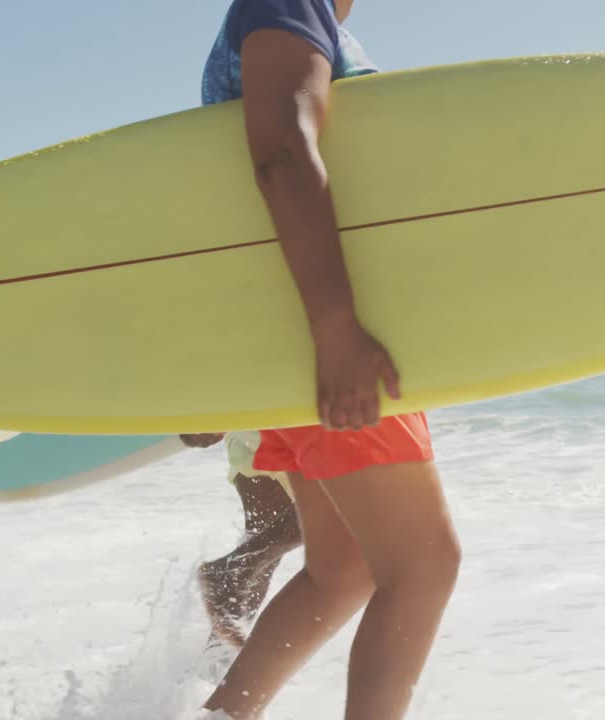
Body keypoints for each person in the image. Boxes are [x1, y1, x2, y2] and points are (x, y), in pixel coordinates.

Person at [197, 2, 462, 718]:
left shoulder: (292, 20)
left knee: (341, 571)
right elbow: (279, 150)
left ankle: (226, 715)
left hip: (303, 343)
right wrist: (338, 328)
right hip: (329, 342)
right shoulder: (286, 3)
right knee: (423, 568)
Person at [181, 431, 302, 648]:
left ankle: (216, 665)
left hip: (254, 427)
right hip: (306, 426)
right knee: (340, 513)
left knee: (262, 551)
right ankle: (232, 570)